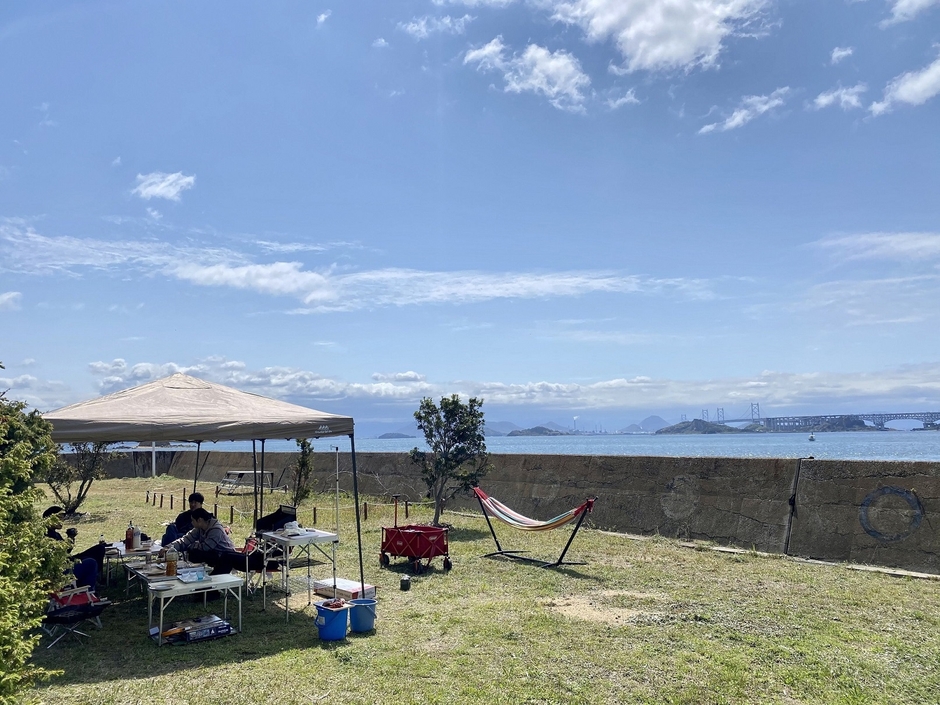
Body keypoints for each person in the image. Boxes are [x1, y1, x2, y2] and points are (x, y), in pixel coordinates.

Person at [160, 507, 239, 575]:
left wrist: (192, 545)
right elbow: (186, 539)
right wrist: (169, 547)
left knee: (195, 553)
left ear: (199, 520)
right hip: (214, 553)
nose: (191, 523)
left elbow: (206, 547)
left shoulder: (216, 529)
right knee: (194, 552)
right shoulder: (200, 528)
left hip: (225, 556)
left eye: (193, 520)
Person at [43, 506, 106, 588]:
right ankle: (89, 590)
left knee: (99, 549)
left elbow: (66, 551)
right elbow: (57, 556)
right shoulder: (45, 535)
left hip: (67, 560)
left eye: (62, 519)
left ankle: (94, 578)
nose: (61, 521)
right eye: (59, 518)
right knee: (91, 562)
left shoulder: (56, 534)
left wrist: (71, 537)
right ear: (50, 519)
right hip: (61, 568)